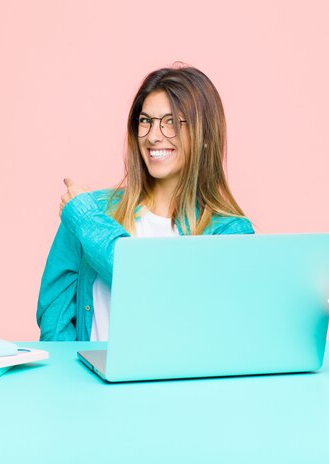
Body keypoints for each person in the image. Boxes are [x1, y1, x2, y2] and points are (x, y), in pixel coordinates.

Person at [37, 64, 254, 341]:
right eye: (145, 121)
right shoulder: (93, 208)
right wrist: (72, 381)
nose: (153, 136)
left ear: (205, 136)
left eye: (172, 122)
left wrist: (87, 222)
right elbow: (54, 321)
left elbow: (159, 292)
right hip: (88, 383)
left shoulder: (230, 233)